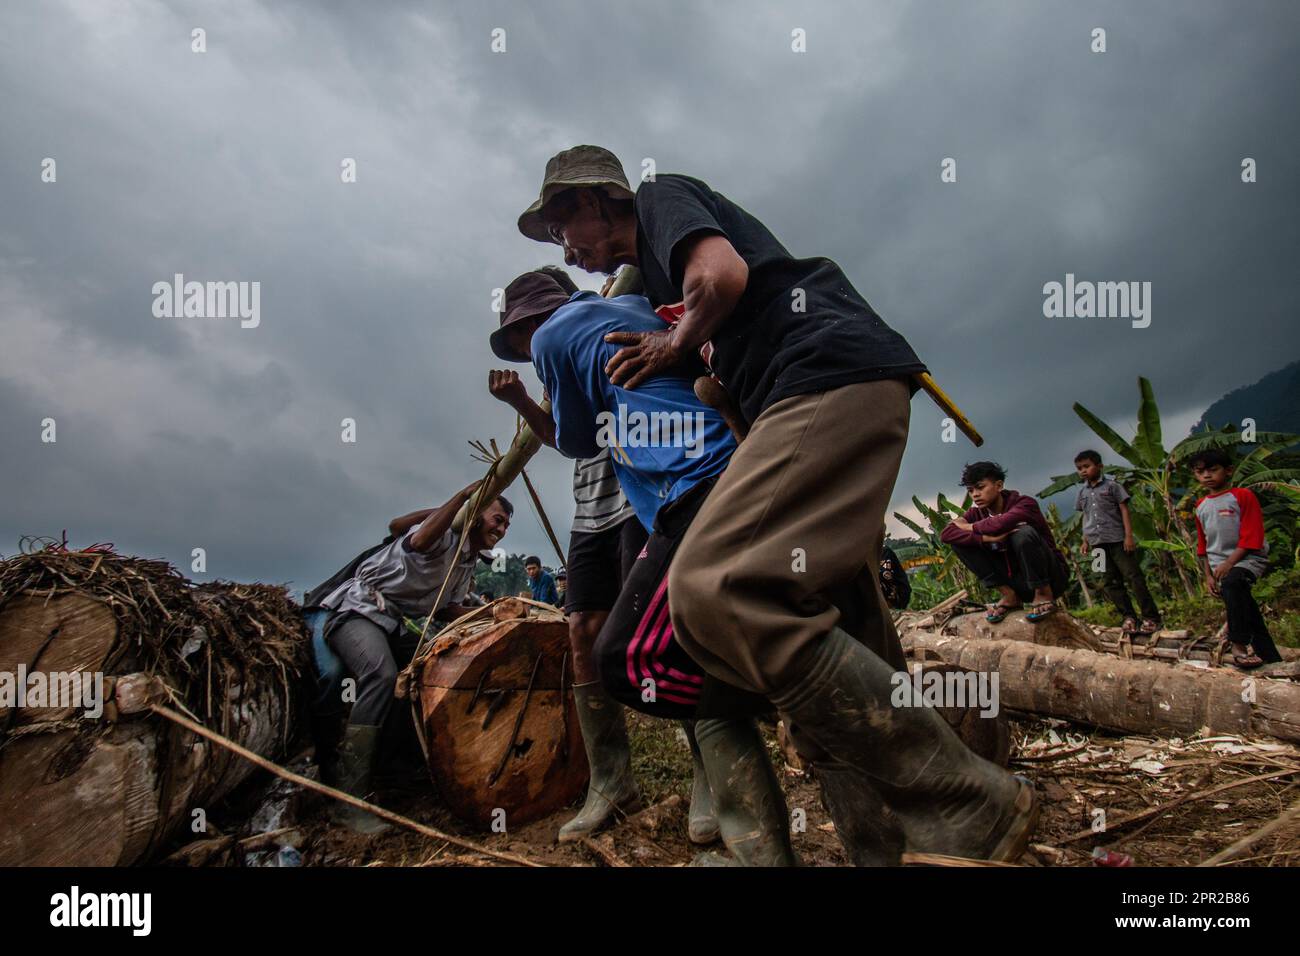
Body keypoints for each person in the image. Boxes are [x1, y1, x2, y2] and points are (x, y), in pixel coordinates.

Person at [517, 145, 1036, 864]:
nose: (566, 251)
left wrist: (673, 343)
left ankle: (967, 800)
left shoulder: (660, 197)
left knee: (715, 588)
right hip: (814, 400)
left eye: (560, 230)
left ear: (594, 202)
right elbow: (722, 380)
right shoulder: (657, 281)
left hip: (826, 379)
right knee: (843, 648)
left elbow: (722, 277)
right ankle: (882, 850)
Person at [489, 268, 795, 865]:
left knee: (669, 632)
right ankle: (612, 780)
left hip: (650, 497)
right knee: (585, 631)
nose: (526, 353)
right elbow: (571, 438)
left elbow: (575, 437)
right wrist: (524, 400)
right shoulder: (587, 342)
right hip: (594, 507)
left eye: (522, 340)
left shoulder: (596, 325)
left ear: (532, 325)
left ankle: (714, 775)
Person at [316, 484, 512, 832]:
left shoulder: (466, 561)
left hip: (391, 623)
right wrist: (465, 496)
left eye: (506, 525)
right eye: (497, 519)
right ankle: (349, 798)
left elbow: (450, 609)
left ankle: (399, 769)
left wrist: (498, 613)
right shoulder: (442, 537)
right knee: (381, 676)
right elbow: (416, 541)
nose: (501, 529)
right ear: (476, 513)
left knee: (428, 672)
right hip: (358, 611)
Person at [940, 461, 1070, 623]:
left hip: (1051, 578)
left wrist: (969, 527)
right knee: (959, 542)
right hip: (1015, 582)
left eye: (980, 487)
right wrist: (986, 538)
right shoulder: (976, 513)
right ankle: (1009, 595)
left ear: (999, 485)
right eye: (971, 490)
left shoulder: (1024, 504)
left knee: (1022, 533)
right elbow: (946, 534)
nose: (975, 494)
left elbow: (999, 524)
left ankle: (1043, 593)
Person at [1190, 449, 1280, 669]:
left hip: (1248, 559)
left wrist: (1230, 563)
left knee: (1233, 584)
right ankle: (1270, 656)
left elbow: (1253, 537)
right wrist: (1208, 575)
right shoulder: (1200, 505)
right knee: (1245, 607)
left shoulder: (1242, 496)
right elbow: (1203, 544)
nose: (1207, 476)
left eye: (1213, 470)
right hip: (1218, 566)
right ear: (1195, 475)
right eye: (1201, 472)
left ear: (1228, 471)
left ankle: (1238, 644)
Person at [1073, 450, 1161, 634]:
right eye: (1079, 468)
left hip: (1117, 540)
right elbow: (1085, 517)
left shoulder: (1112, 487)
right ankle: (1128, 617)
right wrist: (1084, 540)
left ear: (1099, 466)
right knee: (1108, 581)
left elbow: (1124, 511)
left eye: (1087, 466)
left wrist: (1128, 536)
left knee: (1133, 577)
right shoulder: (1082, 493)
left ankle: (1150, 617)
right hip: (1096, 543)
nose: (1083, 471)